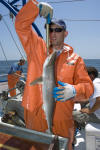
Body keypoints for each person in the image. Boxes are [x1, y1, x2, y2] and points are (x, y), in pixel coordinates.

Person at [15, 1, 93, 149]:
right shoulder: (37, 47)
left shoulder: (76, 59)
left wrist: (75, 90)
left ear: (66, 33)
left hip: (63, 120)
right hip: (35, 117)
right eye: (49, 29)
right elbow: (20, 24)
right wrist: (34, 7)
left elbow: (88, 89)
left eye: (58, 30)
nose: (53, 33)